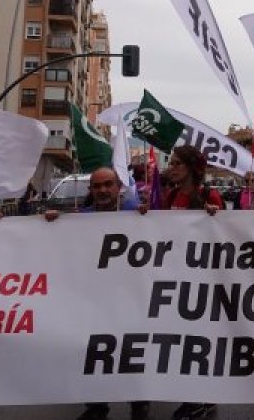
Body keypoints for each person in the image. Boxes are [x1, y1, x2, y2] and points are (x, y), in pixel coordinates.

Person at [41, 168, 150, 420]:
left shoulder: (138, 216)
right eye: (97, 186)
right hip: (93, 302)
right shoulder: (79, 219)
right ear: (90, 190)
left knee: (132, 351)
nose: (102, 190)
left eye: (108, 184)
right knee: (91, 352)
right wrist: (52, 225)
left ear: (118, 187)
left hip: (131, 300)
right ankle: (97, 406)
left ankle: (139, 401)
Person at [160, 146, 220, 419]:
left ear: (191, 168)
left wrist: (215, 216)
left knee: (199, 342)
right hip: (176, 278)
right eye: (171, 163)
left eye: (176, 164)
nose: (171, 168)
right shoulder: (170, 195)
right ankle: (193, 396)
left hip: (202, 281)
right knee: (180, 342)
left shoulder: (209, 196)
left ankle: (202, 397)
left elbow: (225, 235)